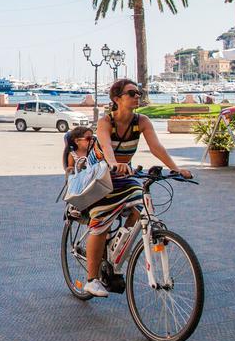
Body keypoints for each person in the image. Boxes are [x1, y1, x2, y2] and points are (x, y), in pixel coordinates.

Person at [79, 78, 192, 298]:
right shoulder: (106, 122)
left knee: (141, 205)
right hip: (100, 176)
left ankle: (117, 248)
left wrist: (176, 169)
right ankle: (91, 280)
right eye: (131, 93)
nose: (137, 96)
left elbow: (156, 147)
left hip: (123, 173)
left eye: (138, 92)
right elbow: (105, 146)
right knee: (101, 220)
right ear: (117, 99)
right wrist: (113, 163)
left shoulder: (142, 121)